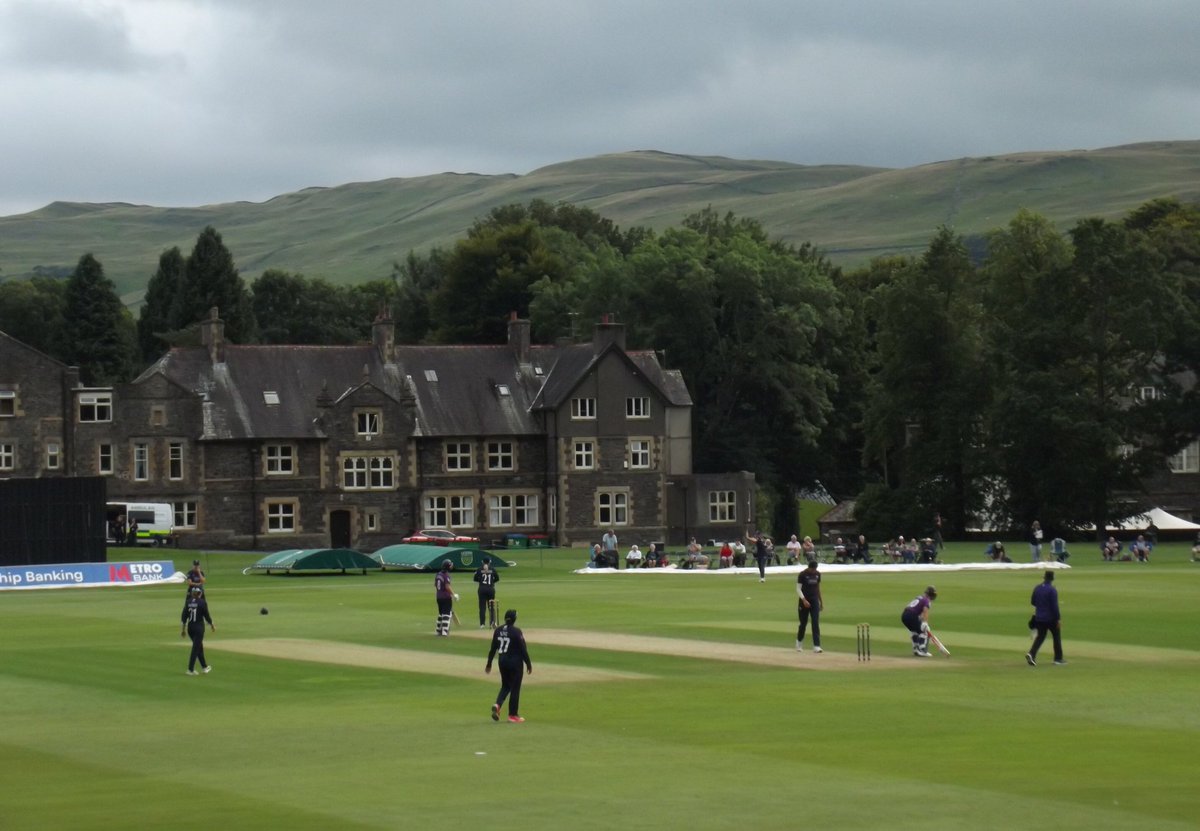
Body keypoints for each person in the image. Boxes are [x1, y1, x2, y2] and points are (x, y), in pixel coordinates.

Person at [486, 608, 533, 723]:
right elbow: (523, 649)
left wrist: (489, 663)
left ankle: (497, 705)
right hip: (515, 663)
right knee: (515, 688)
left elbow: (493, 649)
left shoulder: (498, 630)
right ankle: (513, 715)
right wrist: (528, 663)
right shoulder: (517, 631)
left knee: (506, 686)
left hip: (502, 661)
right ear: (514, 619)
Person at [1025, 571, 1065, 666]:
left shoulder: (1037, 588)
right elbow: (1055, 607)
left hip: (1039, 617)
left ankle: (1031, 654)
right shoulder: (1052, 590)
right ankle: (1058, 659)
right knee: (1056, 637)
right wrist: (1058, 619)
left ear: (1044, 577)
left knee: (1040, 637)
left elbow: (1033, 602)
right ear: (1052, 578)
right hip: (1051, 618)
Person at [180, 585, 215, 675]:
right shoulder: (202, 602)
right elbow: (206, 615)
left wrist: (183, 629)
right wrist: (211, 624)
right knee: (196, 648)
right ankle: (190, 669)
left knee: (199, 647)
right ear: (200, 593)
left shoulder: (188, 602)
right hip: (199, 627)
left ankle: (204, 667)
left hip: (190, 628)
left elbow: (184, 616)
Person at [795, 560, 824, 653]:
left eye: (815, 569)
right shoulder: (802, 575)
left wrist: (821, 602)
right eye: (813, 569)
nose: (814, 571)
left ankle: (817, 646)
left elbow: (818, 588)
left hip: (814, 600)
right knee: (803, 623)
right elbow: (798, 589)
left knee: (815, 622)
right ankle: (799, 643)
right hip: (804, 601)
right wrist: (804, 600)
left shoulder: (817, 574)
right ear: (809, 568)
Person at [900, 586, 937, 658]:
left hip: (904, 615)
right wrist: (925, 623)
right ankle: (922, 650)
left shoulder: (919, 597)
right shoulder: (927, 600)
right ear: (932, 595)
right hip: (912, 615)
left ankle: (916, 649)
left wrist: (921, 620)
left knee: (914, 631)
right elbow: (925, 610)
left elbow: (917, 611)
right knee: (925, 631)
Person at [473, 559, 500, 629]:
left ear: (482, 562)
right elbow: (497, 578)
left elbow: (475, 578)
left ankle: (482, 624)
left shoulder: (479, 569)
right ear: (489, 562)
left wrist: (481, 580)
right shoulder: (492, 569)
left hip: (482, 589)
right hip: (491, 589)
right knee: (491, 606)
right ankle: (492, 622)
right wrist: (492, 581)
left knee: (482, 607)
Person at [434, 560, 458, 636]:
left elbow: (436, 585)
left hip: (438, 597)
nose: (451, 566)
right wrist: (454, 595)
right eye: (450, 565)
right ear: (448, 566)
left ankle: (438, 631)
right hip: (446, 597)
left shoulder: (438, 574)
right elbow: (447, 586)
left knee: (441, 614)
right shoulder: (446, 575)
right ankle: (445, 632)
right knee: (446, 614)